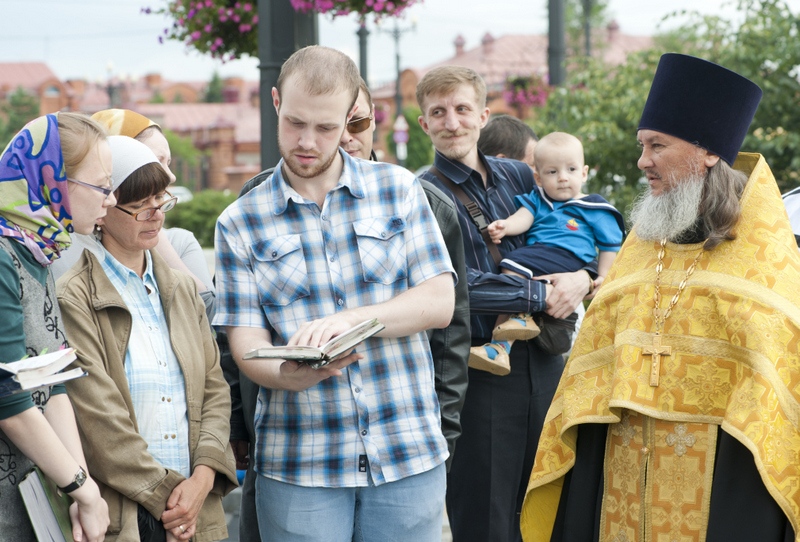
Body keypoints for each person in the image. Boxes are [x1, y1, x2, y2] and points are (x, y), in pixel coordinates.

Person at [521, 53, 800, 541]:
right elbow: (594, 359)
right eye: (641, 145)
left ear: (707, 153)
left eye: (657, 145)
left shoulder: (764, 255)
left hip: (726, 481)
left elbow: (778, 367)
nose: (642, 161)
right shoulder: (648, 238)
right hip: (623, 467)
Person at [214, 46, 456, 542]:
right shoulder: (239, 221)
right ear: (275, 102)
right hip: (300, 462)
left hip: (406, 451)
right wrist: (287, 375)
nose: (307, 142)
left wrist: (351, 321)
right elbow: (244, 344)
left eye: (326, 128)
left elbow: (439, 301)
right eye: (295, 123)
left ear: (350, 118)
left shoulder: (399, 188)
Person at [416, 65, 595, 542]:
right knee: (488, 517)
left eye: (462, 109)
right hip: (481, 371)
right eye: (439, 112)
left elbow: (575, 229)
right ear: (424, 123)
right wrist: (542, 293)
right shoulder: (422, 193)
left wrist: (583, 276)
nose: (452, 122)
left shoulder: (519, 173)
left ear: (483, 116)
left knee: (552, 505)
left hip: (546, 355)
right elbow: (454, 288)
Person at [57, 135, 237, 541]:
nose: (155, 214)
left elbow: (215, 390)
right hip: (129, 515)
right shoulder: (75, 297)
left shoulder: (182, 290)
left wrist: (203, 479)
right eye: (140, 205)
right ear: (104, 210)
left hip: (196, 509)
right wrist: (172, 500)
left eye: (160, 199)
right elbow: (99, 420)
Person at [0, 113, 110, 541]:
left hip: (31, 493)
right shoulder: (4, 255)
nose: (110, 200)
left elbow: (54, 378)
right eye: (101, 186)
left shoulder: (36, 249)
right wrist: (84, 491)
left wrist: (80, 487)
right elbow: (9, 400)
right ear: (54, 182)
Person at [470, 131, 624, 374]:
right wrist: (505, 226)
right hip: (541, 256)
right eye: (552, 172)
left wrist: (603, 276)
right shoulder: (538, 200)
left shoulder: (594, 207)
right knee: (518, 271)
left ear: (584, 173)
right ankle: (501, 346)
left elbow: (610, 245)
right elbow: (523, 218)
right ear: (538, 178)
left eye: (571, 169)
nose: (562, 178)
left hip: (570, 258)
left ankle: (510, 328)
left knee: (513, 266)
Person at [51, 109, 216, 323]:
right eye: (155, 161)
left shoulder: (180, 241)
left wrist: (153, 233)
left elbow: (207, 315)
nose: (170, 176)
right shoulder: (58, 251)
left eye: (168, 163)